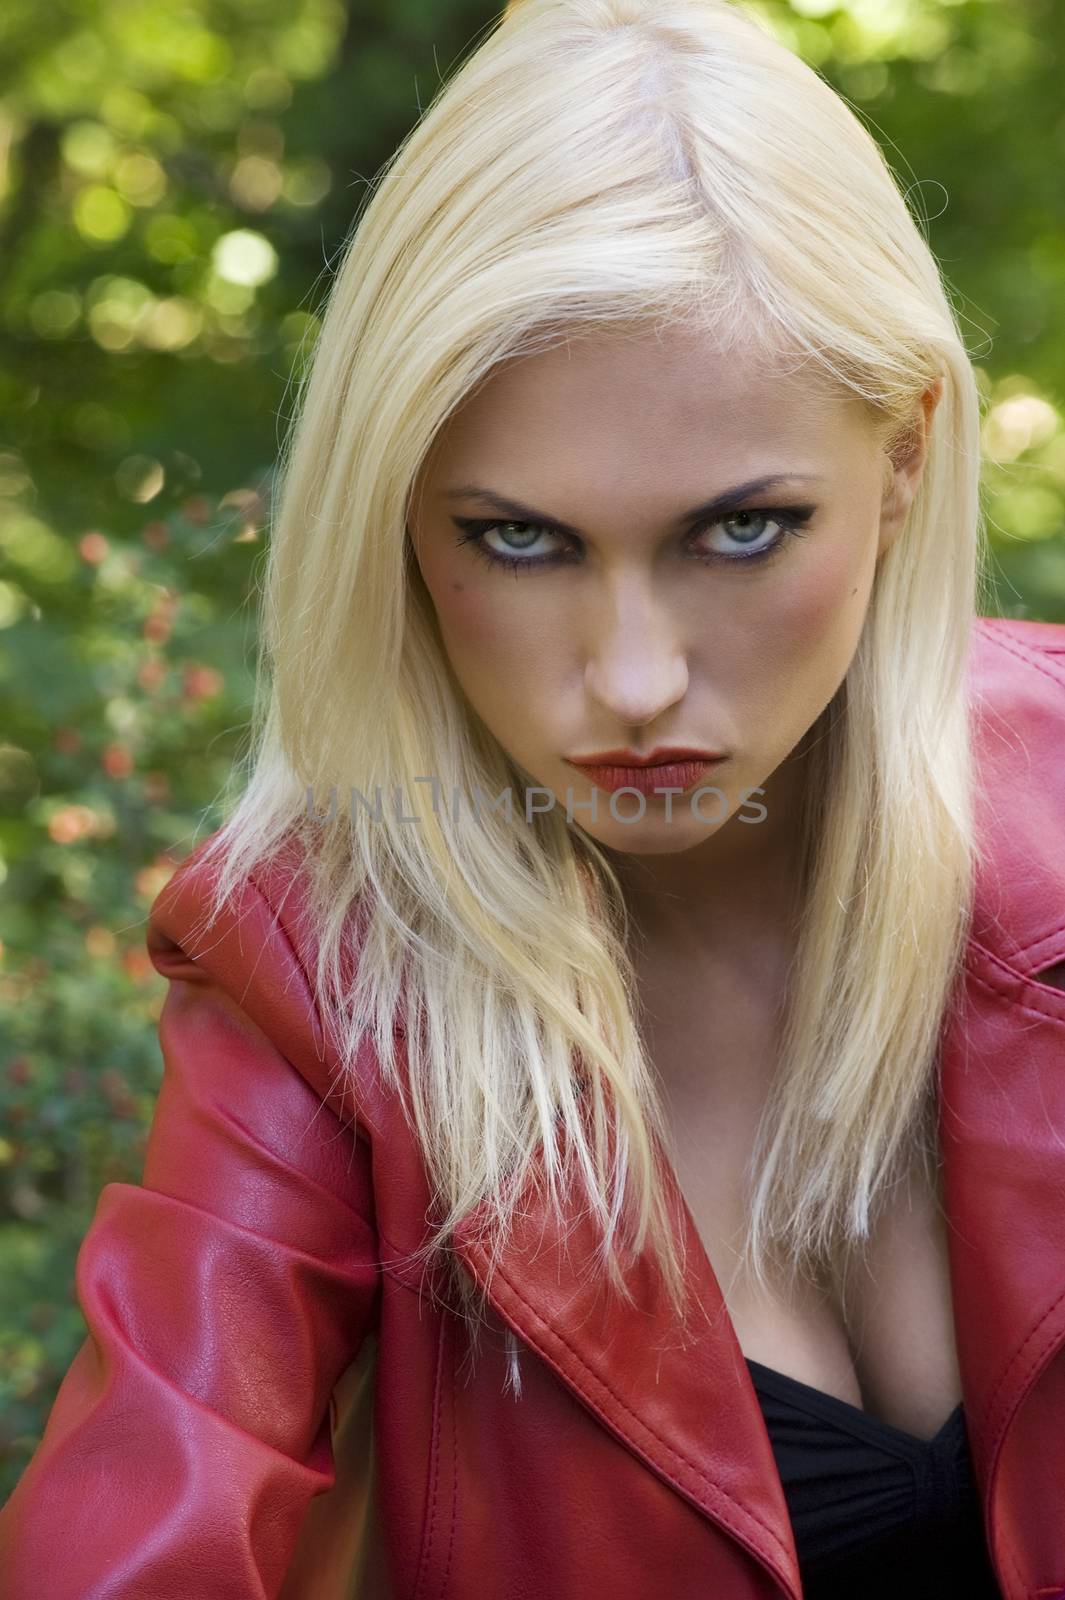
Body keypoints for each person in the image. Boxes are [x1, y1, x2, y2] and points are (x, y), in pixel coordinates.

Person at [3, 0, 1065, 1596]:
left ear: (905, 457)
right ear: (395, 520)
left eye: (740, 529)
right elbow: (146, 1503)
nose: (632, 681)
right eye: (518, 538)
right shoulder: (317, 966)